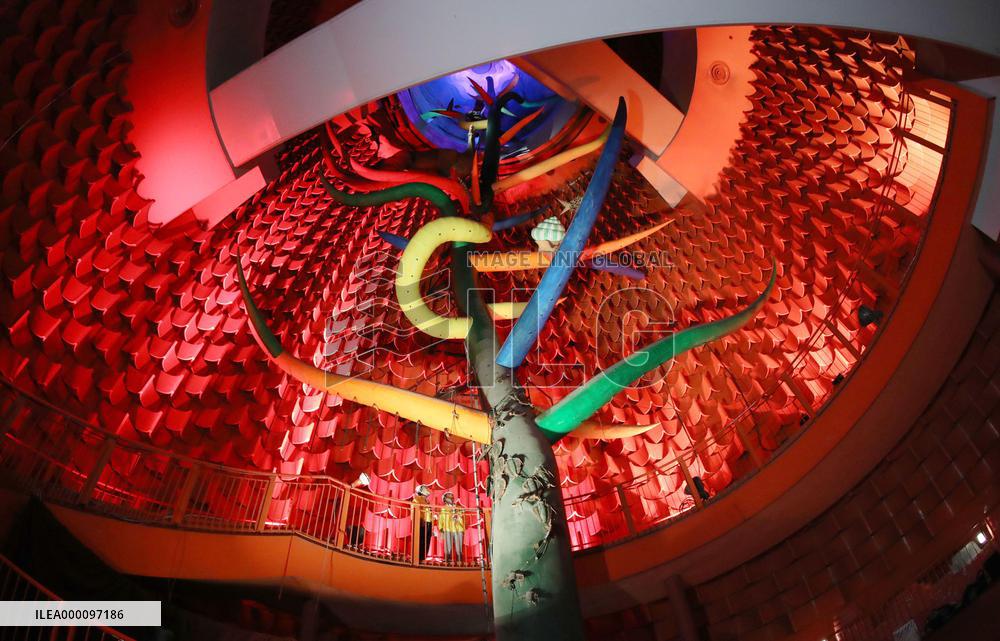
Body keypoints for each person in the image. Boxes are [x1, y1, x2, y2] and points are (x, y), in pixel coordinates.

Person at [437, 491, 466, 565]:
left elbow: (463, 515)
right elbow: (441, 519)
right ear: (445, 499)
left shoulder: (458, 507)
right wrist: (441, 529)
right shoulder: (443, 509)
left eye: (452, 496)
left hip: (458, 529)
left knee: (459, 547)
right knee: (448, 547)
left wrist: (458, 515)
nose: (451, 498)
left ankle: (459, 560)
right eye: (449, 497)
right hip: (448, 529)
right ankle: (448, 560)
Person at [413, 485, 433, 562]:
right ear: (420, 491)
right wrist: (421, 520)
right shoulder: (417, 499)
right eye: (425, 488)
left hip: (428, 521)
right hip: (422, 522)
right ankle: (419, 557)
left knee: (426, 540)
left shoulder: (427, 501)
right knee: (421, 540)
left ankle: (423, 557)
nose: (427, 489)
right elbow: (416, 510)